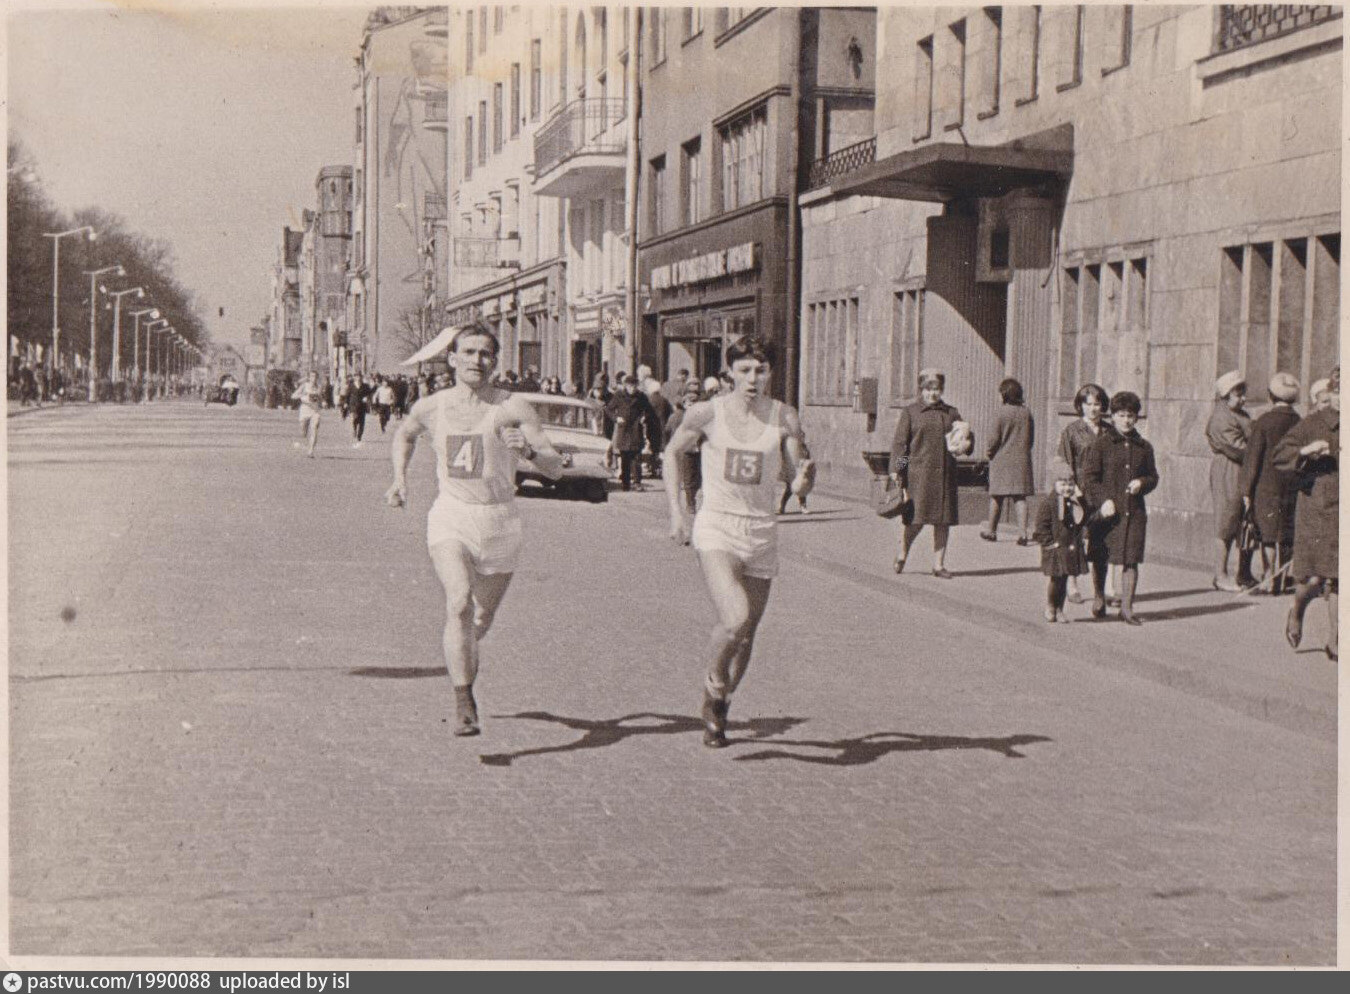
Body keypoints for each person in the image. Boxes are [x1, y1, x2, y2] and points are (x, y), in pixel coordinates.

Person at [385, 322, 565, 735]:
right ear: (452, 359)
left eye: (485, 354)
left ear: (495, 362)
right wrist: (399, 478)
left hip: (500, 520)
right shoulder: (432, 406)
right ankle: (464, 700)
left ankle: (461, 658)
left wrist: (530, 452)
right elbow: (405, 436)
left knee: (478, 620)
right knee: (459, 603)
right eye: (468, 352)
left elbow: (555, 467)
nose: (476, 360)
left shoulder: (512, 407)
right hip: (452, 514)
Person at [664, 335, 814, 748]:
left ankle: (722, 702)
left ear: (771, 373)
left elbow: (797, 477)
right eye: (744, 370)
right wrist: (677, 512)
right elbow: (672, 453)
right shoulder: (706, 412)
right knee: (735, 617)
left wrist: (803, 481)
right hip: (718, 526)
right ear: (729, 372)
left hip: (762, 530)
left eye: (760, 370)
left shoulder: (784, 416)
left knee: (747, 634)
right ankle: (713, 683)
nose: (752, 379)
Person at [1273, 366, 1338, 661]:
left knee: (1340, 578)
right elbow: (1280, 455)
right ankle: (1297, 610)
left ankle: (1335, 641)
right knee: (1313, 579)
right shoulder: (1312, 424)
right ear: (1332, 394)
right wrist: (1304, 452)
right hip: (1318, 508)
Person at [1083, 391, 1159, 625]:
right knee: (1101, 556)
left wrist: (1142, 483)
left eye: (1131, 416)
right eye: (1122, 415)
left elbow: (1153, 477)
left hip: (1134, 513)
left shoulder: (1144, 447)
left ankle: (1127, 607)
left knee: (1131, 559)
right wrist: (1103, 500)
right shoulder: (1101, 444)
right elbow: (1090, 478)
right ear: (1113, 416)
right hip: (1108, 512)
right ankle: (1099, 597)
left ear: (1136, 418)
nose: (1126, 420)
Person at [888, 368, 973, 578]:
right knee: (916, 521)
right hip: (919, 477)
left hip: (945, 476)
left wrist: (967, 444)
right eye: (928, 389)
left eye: (936, 389)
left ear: (942, 390)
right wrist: (897, 469)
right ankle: (902, 553)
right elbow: (902, 446)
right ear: (921, 389)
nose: (932, 393)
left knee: (943, 521)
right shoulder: (911, 412)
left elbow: (965, 437)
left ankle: (938, 565)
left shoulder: (951, 413)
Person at [1238, 372, 1301, 594]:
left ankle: (1268, 578)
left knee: (1267, 535)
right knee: (1286, 535)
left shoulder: (1264, 422)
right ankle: (1282, 579)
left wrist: (1246, 489)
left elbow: (1252, 458)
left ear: (1270, 395)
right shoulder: (1299, 421)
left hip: (1266, 487)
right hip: (1292, 486)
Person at [1055, 383, 1112, 606]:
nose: (1093, 409)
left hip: (1102, 492)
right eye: (1088, 404)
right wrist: (1071, 488)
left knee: (1103, 539)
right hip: (1078, 490)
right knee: (1075, 538)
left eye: (1097, 404)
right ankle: (1072, 584)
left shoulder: (1109, 431)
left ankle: (1104, 588)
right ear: (1081, 406)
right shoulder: (1072, 431)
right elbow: (1064, 461)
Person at [1206, 370, 1255, 591]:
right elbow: (1237, 448)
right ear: (1225, 395)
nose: (1243, 398)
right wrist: (1258, 451)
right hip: (1229, 469)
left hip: (1243, 468)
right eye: (1238, 394)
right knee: (1226, 521)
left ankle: (1243, 573)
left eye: (1244, 393)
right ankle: (1221, 574)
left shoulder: (1240, 415)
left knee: (1246, 521)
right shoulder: (1221, 417)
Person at [981, 377, 1035, 545]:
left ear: (1004, 394)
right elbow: (1031, 439)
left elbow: (993, 439)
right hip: (1021, 461)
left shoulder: (1000, 412)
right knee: (1020, 498)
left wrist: (989, 453)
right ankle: (1023, 534)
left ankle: (991, 531)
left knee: (996, 497)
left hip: (1001, 461)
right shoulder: (1026, 413)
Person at [1034, 459, 1088, 623]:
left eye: (1070, 484)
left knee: (1064, 579)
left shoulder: (1073, 502)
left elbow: (1084, 517)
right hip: (1055, 548)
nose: (1067, 488)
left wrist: (1080, 497)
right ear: (1054, 484)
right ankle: (1051, 606)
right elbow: (1041, 527)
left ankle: (1060, 609)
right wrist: (1049, 543)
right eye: (1063, 484)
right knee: (1055, 579)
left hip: (1068, 547)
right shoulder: (1049, 503)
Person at [605, 373, 658, 491]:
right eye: (630, 386)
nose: (632, 388)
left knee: (636, 457)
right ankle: (625, 483)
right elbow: (608, 409)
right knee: (625, 458)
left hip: (635, 429)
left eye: (634, 386)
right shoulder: (619, 395)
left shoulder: (641, 396)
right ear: (626, 386)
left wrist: (644, 417)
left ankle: (637, 483)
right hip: (623, 429)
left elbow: (648, 410)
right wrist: (616, 418)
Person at [663, 379, 705, 513]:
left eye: (695, 403)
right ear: (684, 404)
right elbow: (668, 431)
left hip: (701, 450)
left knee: (699, 477)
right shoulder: (679, 416)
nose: (692, 406)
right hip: (686, 450)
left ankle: (695, 499)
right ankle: (690, 503)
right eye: (689, 403)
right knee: (689, 477)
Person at [643, 378, 673, 481]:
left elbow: (646, 414)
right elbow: (670, 412)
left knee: (653, 449)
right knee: (662, 449)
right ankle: (661, 470)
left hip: (652, 427)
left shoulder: (649, 400)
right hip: (663, 427)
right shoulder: (664, 400)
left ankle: (654, 469)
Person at [290, 371, 323, 458]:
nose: (314, 378)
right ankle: (304, 438)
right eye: (312, 376)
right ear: (309, 377)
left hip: (315, 410)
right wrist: (302, 395)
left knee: (314, 429)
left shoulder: (319, 387)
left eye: (315, 376)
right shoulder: (304, 386)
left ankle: (310, 451)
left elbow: (320, 398)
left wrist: (323, 402)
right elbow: (293, 396)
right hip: (305, 410)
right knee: (303, 432)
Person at [347, 373, 371, 446]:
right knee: (355, 419)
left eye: (360, 377)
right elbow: (348, 395)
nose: (358, 378)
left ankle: (359, 436)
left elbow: (369, 394)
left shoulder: (365, 386)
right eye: (357, 377)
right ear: (355, 377)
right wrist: (345, 403)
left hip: (362, 406)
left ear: (361, 378)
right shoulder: (351, 385)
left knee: (362, 422)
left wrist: (367, 398)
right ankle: (354, 429)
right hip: (353, 405)